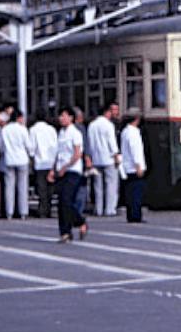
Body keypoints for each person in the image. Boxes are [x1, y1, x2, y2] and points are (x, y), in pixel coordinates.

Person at [48, 107, 87, 243]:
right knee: (62, 202)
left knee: (66, 199)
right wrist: (53, 170)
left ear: (71, 118)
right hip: (61, 170)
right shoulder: (61, 133)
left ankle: (80, 221)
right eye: (60, 116)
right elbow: (57, 154)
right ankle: (65, 232)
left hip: (73, 170)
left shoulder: (75, 133)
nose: (61, 119)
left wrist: (66, 167)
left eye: (64, 116)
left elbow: (77, 154)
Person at [88, 103, 121, 216]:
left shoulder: (92, 125)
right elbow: (111, 142)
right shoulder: (108, 125)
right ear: (107, 112)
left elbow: (90, 143)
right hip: (108, 159)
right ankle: (110, 209)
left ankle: (99, 209)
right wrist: (116, 154)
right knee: (111, 185)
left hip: (96, 159)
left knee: (98, 186)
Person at [1, 110, 33, 220]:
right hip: (22, 159)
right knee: (23, 186)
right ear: (19, 118)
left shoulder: (4, 130)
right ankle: (23, 212)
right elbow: (28, 145)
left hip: (9, 159)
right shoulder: (23, 129)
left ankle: (9, 212)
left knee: (9, 187)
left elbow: (1, 146)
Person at [120, 108, 147, 223]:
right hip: (134, 166)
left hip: (127, 166)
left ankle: (131, 214)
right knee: (136, 192)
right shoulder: (134, 132)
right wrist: (138, 165)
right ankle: (136, 215)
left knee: (130, 192)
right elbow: (135, 150)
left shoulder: (125, 131)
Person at [29, 111, 57, 218]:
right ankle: (48, 209)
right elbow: (55, 146)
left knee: (41, 189)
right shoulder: (52, 129)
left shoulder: (33, 130)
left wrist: (32, 160)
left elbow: (32, 148)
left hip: (39, 162)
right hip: (51, 162)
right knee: (50, 188)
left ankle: (42, 210)